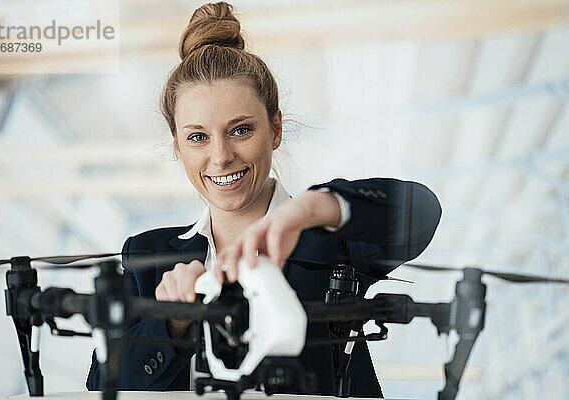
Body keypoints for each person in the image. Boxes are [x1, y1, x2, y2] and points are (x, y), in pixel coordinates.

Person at [86, 2, 442, 398]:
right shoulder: (146, 256)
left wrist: (311, 208)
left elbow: (420, 212)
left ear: (275, 129)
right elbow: (101, 386)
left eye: (240, 130)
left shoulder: (330, 239)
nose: (220, 156)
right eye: (198, 137)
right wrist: (169, 324)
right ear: (178, 147)